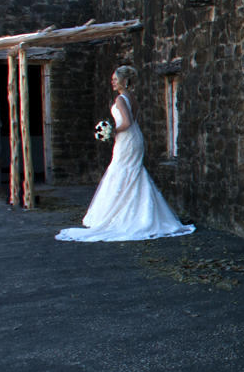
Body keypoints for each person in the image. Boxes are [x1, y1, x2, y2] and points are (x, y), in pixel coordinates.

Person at [56, 66, 194, 242]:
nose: (112, 81)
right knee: (132, 172)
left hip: (127, 139)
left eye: (115, 79)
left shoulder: (121, 98)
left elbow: (127, 122)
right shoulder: (131, 97)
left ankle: (123, 215)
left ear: (124, 81)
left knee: (122, 170)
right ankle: (136, 212)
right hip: (134, 138)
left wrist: (112, 131)